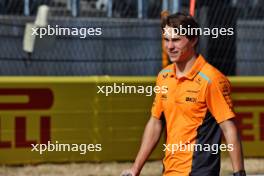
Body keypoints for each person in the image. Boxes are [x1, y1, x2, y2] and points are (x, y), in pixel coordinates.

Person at [121, 13, 246, 176]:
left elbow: (229, 129)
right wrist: (135, 169)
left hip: (200, 172)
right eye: (166, 40)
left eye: (176, 40)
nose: (170, 46)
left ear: (193, 40)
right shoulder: (163, 77)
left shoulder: (212, 79)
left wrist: (239, 173)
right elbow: (155, 123)